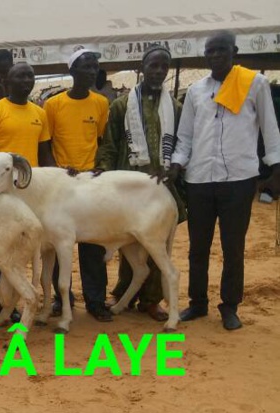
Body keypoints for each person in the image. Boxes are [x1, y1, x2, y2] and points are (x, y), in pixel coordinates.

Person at [168, 31, 280, 330]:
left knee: (233, 247)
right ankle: (198, 303)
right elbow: (186, 136)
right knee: (197, 247)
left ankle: (230, 306)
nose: (215, 55)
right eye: (210, 51)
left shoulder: (254, 83)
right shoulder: (195, 91)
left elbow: (270, 127)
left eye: (221, 50)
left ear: (235, 51)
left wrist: (276, 167)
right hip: (200, 178)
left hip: (239, 179)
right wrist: (177, 164)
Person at [97, 45, 184, 322]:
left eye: (163, 66)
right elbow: (109, 145)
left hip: (163, 187)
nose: (158, 71)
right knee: (127, 241)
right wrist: (103, 174)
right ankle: (124, 292)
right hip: (128, 187)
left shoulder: (177, 108)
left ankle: (151, 300)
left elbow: (183, 146)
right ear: (142, 68)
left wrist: (176, 169)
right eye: (153, 66)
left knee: (158, 244)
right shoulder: (121, 105)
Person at [0, 62, 54, 322]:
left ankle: (10, 306)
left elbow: (45, 153)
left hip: (29, 193)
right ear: (7, 81)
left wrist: (59, 178)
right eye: (20, 76)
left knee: (18, 251)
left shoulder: (40, 113)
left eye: (30, 76)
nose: (26, 81)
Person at [44, 48, 112, 322]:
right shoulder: (54, 105)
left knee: (93, 244)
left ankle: (96, 301)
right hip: (61, 186)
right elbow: (45, 145)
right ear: (72, 72)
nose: (91, 72)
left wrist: (100, 168)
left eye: (94, 67)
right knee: (61, 245)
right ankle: (63, 299)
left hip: (91, 185)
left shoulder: (101, 103)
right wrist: (56, 169)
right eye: (85, 67)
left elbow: (102, 141)